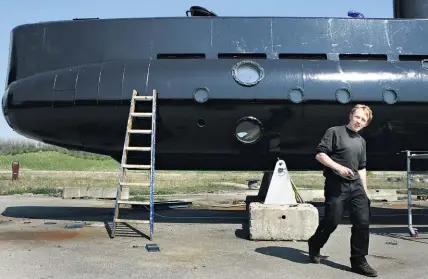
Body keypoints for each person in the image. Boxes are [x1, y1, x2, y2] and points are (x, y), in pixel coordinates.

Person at [308, 104, 378, 277]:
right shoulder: (334, 132)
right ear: (351, 115)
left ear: (366, 124)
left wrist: (365, 191)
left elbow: (361, 168)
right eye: (357, 117)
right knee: (332, 220)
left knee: (362, 222)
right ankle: (315, 243)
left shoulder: (361, 141)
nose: (359, 121)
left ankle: (359, 261)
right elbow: (320, 155)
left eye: (363, 120)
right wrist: (338, 167)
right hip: (336, 184)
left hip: (356, 186)